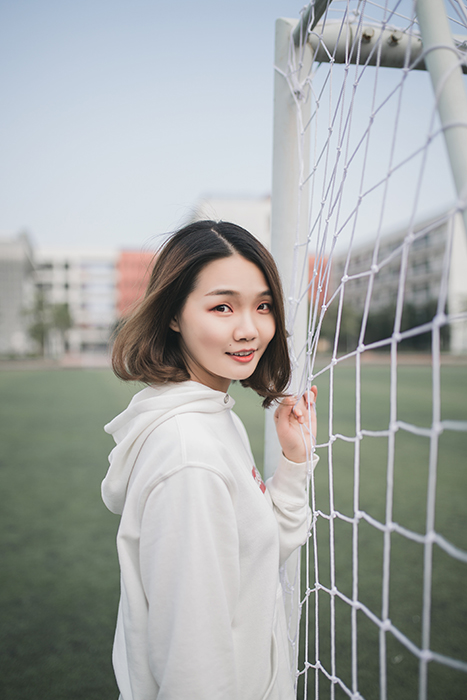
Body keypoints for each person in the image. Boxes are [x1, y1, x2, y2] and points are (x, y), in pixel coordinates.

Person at [101, 220, 318, 700]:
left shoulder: (215, 415)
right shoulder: (188, 454)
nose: (249, 328)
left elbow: (252, 560)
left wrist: (293, 463)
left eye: (263, 306)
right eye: (222, 306)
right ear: (173, 314)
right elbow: (192, 666)